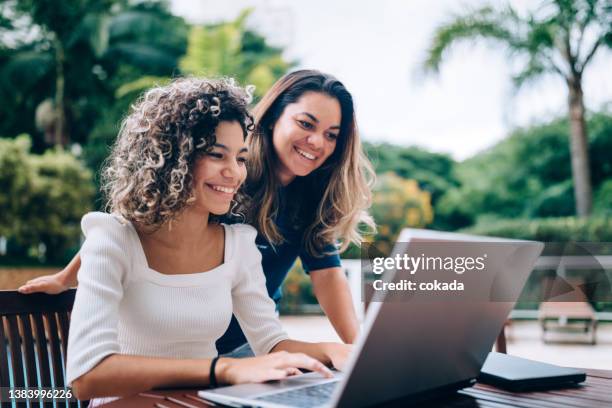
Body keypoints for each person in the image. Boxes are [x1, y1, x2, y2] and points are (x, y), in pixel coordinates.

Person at [20, 69, 376, 357]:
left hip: (249, 341)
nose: (317, 142)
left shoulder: (313, 198)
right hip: (183, 342)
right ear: (272, 118)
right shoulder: (226, 177)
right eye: (305, 124)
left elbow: (328, 277)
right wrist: (67, 277)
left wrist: (356, 349)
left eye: (332, 134)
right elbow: (134, 223)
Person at [66, 77, 350, 402]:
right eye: (217, 155)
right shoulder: (114, 240)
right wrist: (223, 370)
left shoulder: (239, 244)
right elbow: (86, 378)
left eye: (241, 158)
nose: (235, 173)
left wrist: (334, 351)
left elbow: (271, 342)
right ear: (172, 156)